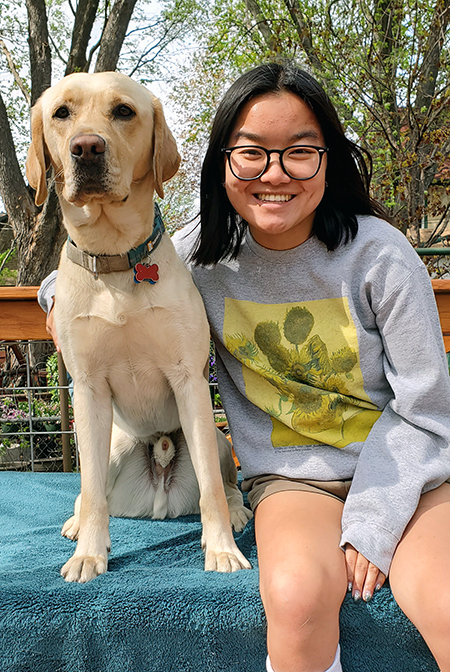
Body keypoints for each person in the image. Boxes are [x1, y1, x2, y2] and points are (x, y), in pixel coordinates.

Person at [40, 62, 450, 672]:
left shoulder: (383, 255)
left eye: (300, 152)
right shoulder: (201, 254)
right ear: (222, 164)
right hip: (290, 478)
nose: (275, 174)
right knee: (295, 598)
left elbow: (427, 408)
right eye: (252, 153)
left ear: (329, 158)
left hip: (405, 477)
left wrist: (372, 517)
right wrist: (55, 299)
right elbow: (115, 267)